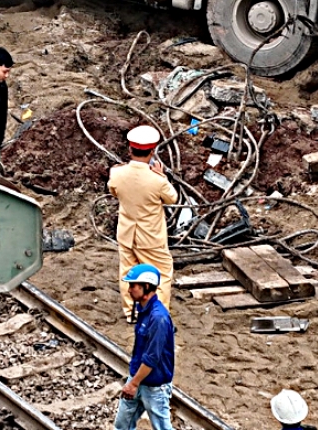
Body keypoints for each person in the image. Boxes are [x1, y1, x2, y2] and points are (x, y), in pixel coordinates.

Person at [109, 125, 178, 315]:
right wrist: (162, 176)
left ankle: (132, 312)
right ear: (152, 151)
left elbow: (113, 191)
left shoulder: (117, 173)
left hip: (126, 233)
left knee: (128, 272)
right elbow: (172, 198)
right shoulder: (157, 180)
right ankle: (155, 315)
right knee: (160, 273)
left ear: (130, 149)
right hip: (150, 237)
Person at [115, 263, 176, 430]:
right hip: (138, 377)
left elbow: (152, 357)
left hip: (154, 386)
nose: (129, 290)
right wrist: (134, 381)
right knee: (122, 425)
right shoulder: (143, 310)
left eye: (133, 285)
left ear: (147, 286)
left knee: (162, 427)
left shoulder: (158, 318)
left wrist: (133, 384)